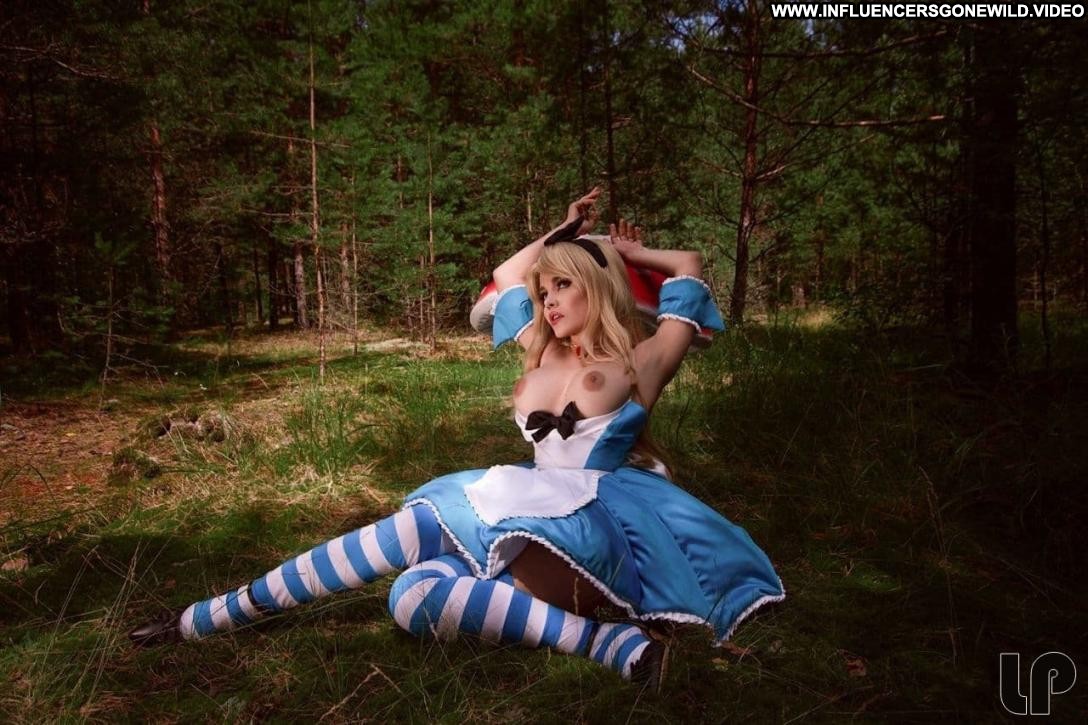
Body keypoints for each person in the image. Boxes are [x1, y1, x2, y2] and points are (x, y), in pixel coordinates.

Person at [129, 187, 785, 691]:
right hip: (527, 510)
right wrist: (563, 231)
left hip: (590, 531)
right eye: (545, 289)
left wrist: (626, 253)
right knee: (410, 595)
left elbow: (689, 269)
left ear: (598, 285)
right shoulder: (538, 350)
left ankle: (209, 617)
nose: (549, 300)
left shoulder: (639, 365)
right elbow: (507, 271)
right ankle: (616, 648)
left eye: (564, 285)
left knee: (415, 526)